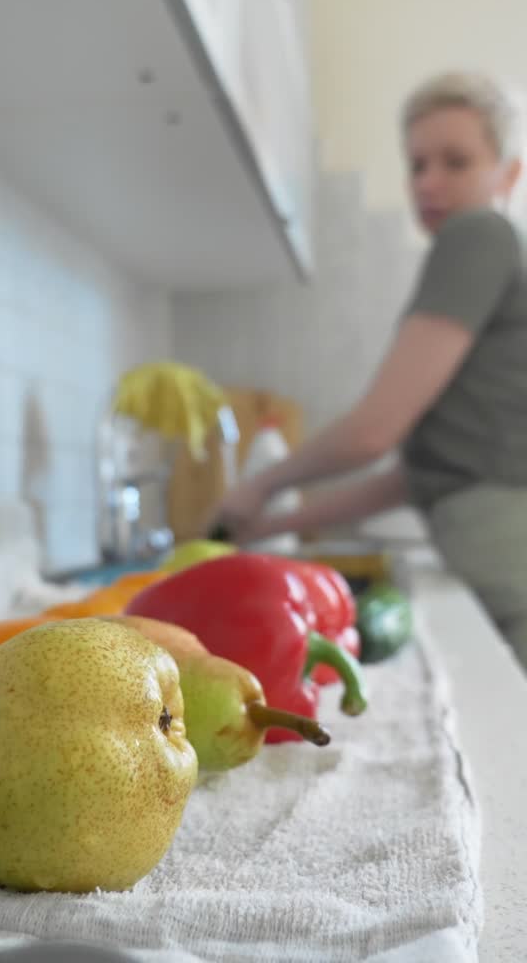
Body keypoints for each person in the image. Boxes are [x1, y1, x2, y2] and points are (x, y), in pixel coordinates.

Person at [207, 71, 527, 668]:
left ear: (507, 174)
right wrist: (279, 525)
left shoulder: (478, 236)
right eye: (416, 164)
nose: (428, 183)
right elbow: (415, 478)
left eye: (456, 162)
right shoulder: (488, 252)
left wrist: (259, 487)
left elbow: (374, 432)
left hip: (506, 551)